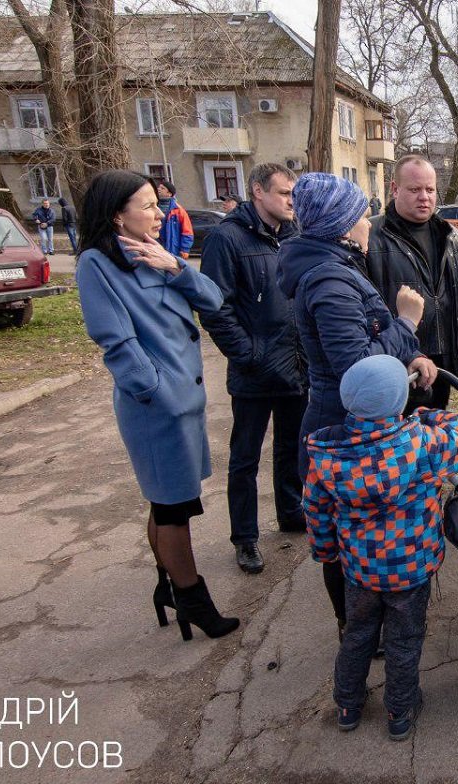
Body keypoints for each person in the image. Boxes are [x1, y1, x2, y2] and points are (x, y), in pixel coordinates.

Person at [75, 170, 238, 641]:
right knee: (173, 507)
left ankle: (168, 584)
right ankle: (191, 596)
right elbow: (116, 342)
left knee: (168, 499)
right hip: (156, 406)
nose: (160, 211)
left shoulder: (154, 252)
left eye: (158, 202)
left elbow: (214, 300)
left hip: (184, 399)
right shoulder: (95, 264)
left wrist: (175, 265)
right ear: (116, 215)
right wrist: (158, 392)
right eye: (147, 205)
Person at [278, 172, 437, 630]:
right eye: (362, 216)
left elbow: (366, 338)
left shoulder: (336, 266)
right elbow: (357, 370)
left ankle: (368, 625)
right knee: (348, 534)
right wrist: (407, 324)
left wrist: (414, 354)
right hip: (343, 425)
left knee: (361, 527)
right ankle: (357, 631)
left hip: (355, 419)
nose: (369, 224)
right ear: (344, 225)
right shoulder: (330, 277)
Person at [306, 355, 458, 740]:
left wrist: (326, 551)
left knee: (358, 633)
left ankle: (348, 704)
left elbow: (315, 508)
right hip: (410, 568)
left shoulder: (328, 456)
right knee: (403, 641)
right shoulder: (421, 443)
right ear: (400, 401)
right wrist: (428, 415)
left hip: (360, 570)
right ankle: (400, 710)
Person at [198, 164, 305, 575]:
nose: (290, 202)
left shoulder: (293, 235)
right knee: (245, 457)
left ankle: (291, 512)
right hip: (255, 370)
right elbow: (214, 307)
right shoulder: (227, 238)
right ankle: (245, 537)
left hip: (295, 365)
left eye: (293, 195)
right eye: (283, 194)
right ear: (257, 192)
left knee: (291, 447)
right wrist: (248, 355)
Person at [364, 154, 458, 411]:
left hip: (443, 363)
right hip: (399, 362)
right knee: (401, 443)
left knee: (435, 435)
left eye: (430, 189)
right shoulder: (372, 236)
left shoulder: (452, 236)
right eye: (414, 189)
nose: (424, 197)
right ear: (395, 189)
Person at [155, 179, 194, 260]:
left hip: (172, 249)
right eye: (159, 187)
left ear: (169, 194)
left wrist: (185, 250)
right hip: (155, 246)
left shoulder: (178, 210)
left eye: (162, 188)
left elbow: (187, 232)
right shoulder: (153, 206)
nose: (159, 189)